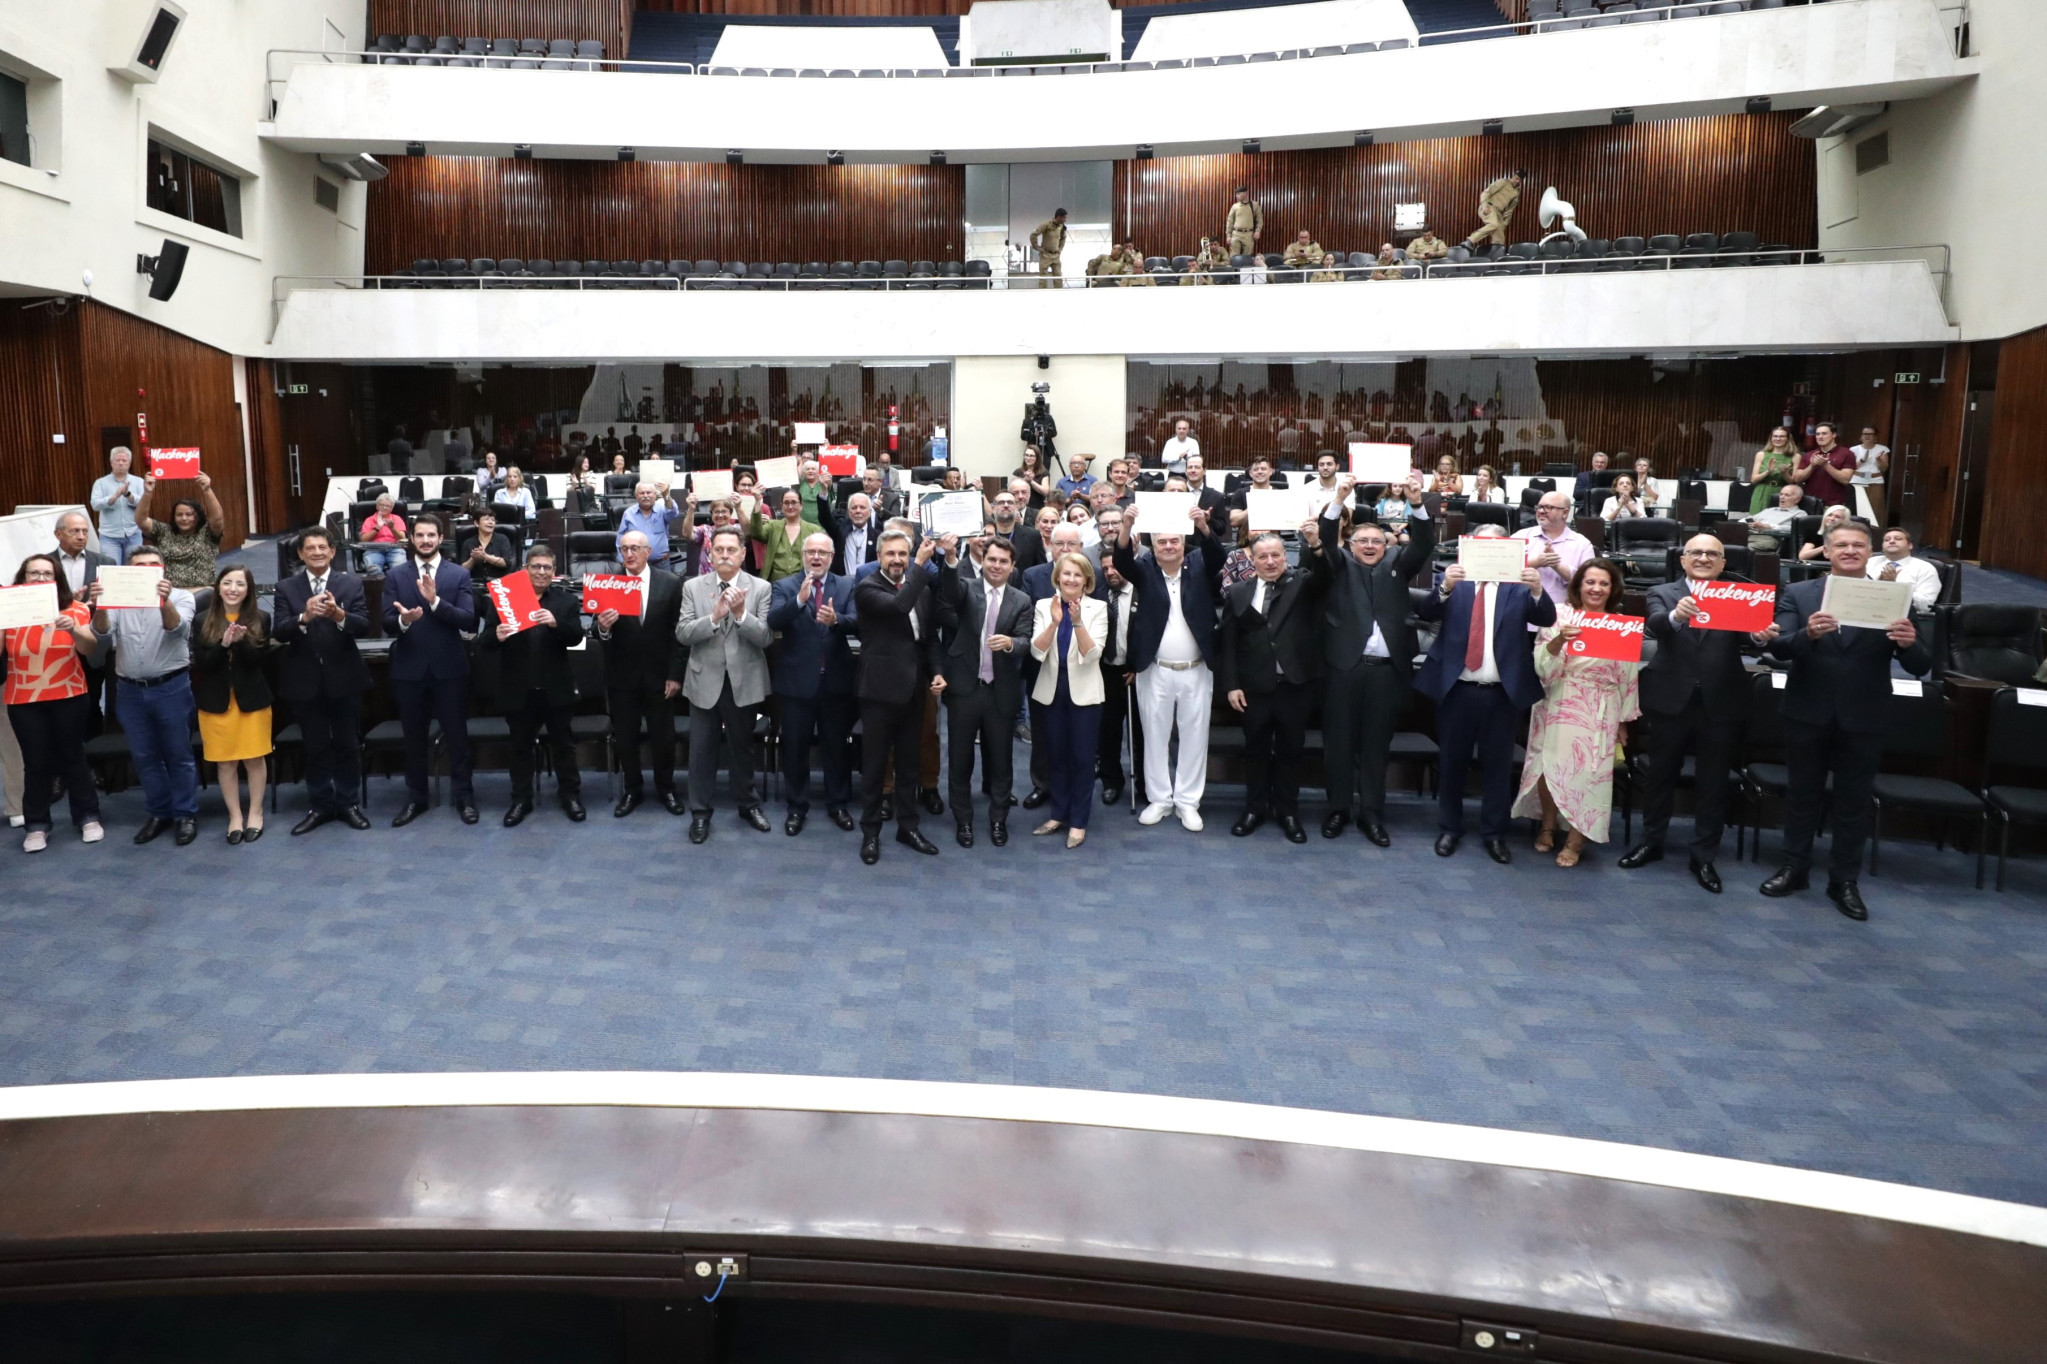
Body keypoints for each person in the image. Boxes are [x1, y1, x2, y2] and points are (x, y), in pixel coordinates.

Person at [1762, 519, 1932, 920]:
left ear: (1869, 550)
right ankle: (1795, 868)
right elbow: (1781, 649)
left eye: (1858, 545)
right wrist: (1809, 635)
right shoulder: (1801, 593)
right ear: (1828, 549)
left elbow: (1922, 664)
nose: (1850, 551)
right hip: (1807, 710)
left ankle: (1844, 881)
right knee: (1802, 795)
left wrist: (1909, 645)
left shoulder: (1893, 597)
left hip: (1864, 714)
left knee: (1853, 803)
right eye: (1842, 545)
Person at [1618, 534, 1776, 893]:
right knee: (1660, 776)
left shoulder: (1740, 596)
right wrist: (1677, 615)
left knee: (1714, 781)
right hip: (1670, 697)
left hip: (1722, 699)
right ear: (1683, 559)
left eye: (1713, 554)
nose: (1704, 558)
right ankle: (1651, 842)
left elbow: (1750, 639)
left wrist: (1762, 637)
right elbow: (1656, 625)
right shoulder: (1663, 592)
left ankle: (1703, 855)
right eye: (1696, 553)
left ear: (1723, 563)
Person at [1414, 525, 1557, 862]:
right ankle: (1450, 828)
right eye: (1483, 545)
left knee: (1497, 767)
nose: (1490, 551)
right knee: (1452, 763)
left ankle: (1494, 834)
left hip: (1500, 694)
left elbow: (1546, 617)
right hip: (1457, 691)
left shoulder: (1520, 587)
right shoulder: (1455, 583)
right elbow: (1426, 612)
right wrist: (1445, 586)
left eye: (1497, 545)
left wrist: (1538, 591)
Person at [1307, 477, 1434, 845]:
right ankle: (1338, 810)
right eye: (1362, 540)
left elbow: (1425, 542)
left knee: (1377, 747)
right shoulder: (1337, 563)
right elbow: (1325, 541)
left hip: (1386, 674)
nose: (1369, 546)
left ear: (1388, 544)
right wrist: (1339, 499)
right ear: (1351, 544)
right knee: (1339, 745)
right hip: (1343, 670)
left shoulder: (1399, 563)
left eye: (1376, 541)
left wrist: (1416, 502)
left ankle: (1372, 815)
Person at [1512, 559, 1640, 867]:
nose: (1596, 589)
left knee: (1590, 774)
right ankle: (1548, 824)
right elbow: (1541, 666)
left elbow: (1629, 676)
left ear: (1613, 589)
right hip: (1557, 700)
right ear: (1579, 585)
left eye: (1604, 584)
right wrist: (1559, 639)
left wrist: (1623, 719)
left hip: (1600, 709)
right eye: (1590, 582)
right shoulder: (1557, 616)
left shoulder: (1621, 624)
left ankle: (1576, 840)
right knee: (1548, 767)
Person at [1114, 500, 1226, 832]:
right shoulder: (1145, 569)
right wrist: (1126, 525)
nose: (1167, 546)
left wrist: (1204, 528)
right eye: (1161, 541)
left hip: (1196, 668)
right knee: (1154, 735)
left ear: (1183, 543)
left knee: (1194, 737)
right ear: (1153, 544)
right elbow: (1121, 560)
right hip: (1155, 669)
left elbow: (1218, 557)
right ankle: (1160, 799)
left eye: (1174, 541)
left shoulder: (1199, 565)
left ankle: (1188, 802)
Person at [91, 546, 201, 845]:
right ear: (131, 570)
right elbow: (102, 635)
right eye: (141, 565)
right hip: (129, 690)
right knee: (144, 756)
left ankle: (185, 814)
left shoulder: (181, 597)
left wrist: (162, 601)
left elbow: (177, 630)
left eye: (154, 564)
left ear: (162, 569)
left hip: (171, 687)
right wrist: (100, 605)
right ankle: (159, 812)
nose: (148, 568)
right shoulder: (117, 597)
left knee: (179, 755)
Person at [676, 525, 774, 843]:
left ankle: (747, 804)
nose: (725, 555)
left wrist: (742, 614)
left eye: (731, 550)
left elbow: (765, 638)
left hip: (744, 681)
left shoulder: (760, 588)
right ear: (710, 552)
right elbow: (683, 634)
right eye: (719, 549)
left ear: (743, 554)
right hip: (704, 682)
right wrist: (714, 618)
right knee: (701, 752)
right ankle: (700, 813)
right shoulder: (693, 587)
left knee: (742, 750)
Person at [1217, 532, 1315, 843]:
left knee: (1290, 752)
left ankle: (1288, 811)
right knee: (1255, 750)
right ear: (1252, 560)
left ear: (1286, 557)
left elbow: (1327, 572)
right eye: (1263, 556)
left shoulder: (1302, 584)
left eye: (1275, 555)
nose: (1270, 561)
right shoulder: (1237, 592)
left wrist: (1315, 541)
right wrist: (1231, 685)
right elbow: (1229, 643)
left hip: (1294, 686)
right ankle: (1255, 808)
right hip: (1253, 688)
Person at [273, 527, 372, 835]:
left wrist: (339, 614)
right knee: (315, 746)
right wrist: (303, 618)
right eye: (310, 548)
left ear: (332, 552)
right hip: (305, 680)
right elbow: (278, 631)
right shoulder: (286, 587)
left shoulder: (351, 583)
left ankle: (347, 803)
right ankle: (320, 805)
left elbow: (364, 626)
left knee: (346, 744)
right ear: (300, 554)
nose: (316, 552)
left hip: (345, 678)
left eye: (322, 547)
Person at [854, 528, 944, 864]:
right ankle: (870, 833)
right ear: (878, 557)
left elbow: (928, 638)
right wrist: (921, 565)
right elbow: (896, 607)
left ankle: (908, 828)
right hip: (878, 693)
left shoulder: (919, 588)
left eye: (903, 555)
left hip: (914, 690)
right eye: (890, 554)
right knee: (876, 767)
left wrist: (936, 671)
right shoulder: (867, 588)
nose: (897, 560)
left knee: (909, 765)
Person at [382, 515, 479, 827]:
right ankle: (417, 799)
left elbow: (468, 620)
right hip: (409, 669)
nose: (425, 540)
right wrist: (403, 622)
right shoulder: (396, 575)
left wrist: (435, 601)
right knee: (413, 739)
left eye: (431, 535)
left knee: (457, 737)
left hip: (449, 669)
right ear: (411, 538)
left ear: (441, 538)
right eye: (420, 535)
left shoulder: (458, 575)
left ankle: (464, 797)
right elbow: (385, 622)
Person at [936, 535, 1032, 847]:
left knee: (1002, 763)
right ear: (983, 560)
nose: (996, 565)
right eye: (992, 559)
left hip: (1000, 693)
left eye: (1003, 561)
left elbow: (1026, 641)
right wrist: (950, 558)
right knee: (959, 760)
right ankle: (963, 820)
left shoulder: (1021, 600)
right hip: (965, 689)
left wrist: (1011, 644)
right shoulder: (967, 587)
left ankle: (998, 820)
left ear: (1012, 566)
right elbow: (948, 593)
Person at [481, 544, 585, 826]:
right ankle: (520, 800)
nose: (541, 572)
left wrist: (555, 624)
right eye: (536, 566)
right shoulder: (505, 598)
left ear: (554, 572)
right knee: (520, 748)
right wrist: (498, 635)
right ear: (525, 569)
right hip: (518, 688)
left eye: (547, 567)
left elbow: (577, 637)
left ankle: (570, 796)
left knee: (564, 746)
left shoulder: (565, 601)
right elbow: (484, 642)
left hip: (557, 687)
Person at [3, 554, 101, 851]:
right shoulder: (8, 609)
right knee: (35, 762)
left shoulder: (76, 609)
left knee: (73, 756)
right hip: (23, 696)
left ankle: (87, 816)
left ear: (57, 579)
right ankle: (36, 824)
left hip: (69, 693)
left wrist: (71, 628)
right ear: (23, 577)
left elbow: (89, 649)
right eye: (34, 573)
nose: (41, 579)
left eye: (47, 573)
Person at [767, 532, 859, 836]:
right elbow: (774, 621)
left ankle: (838, 804)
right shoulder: (784, 586)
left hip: (836, 682)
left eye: (822, 552)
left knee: (836, 748)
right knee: (795, 748)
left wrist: (837, 621)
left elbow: (858, 621)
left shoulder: (847, 584)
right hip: (796, 684)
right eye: (811, 552)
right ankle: (796, 808)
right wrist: (799, 601)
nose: (816, 557)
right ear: (802, 556)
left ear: (832, 557)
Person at [595, 530, 687, 818]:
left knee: (664, 737)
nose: (629, 554)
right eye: (624, 549)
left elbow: (678, 635)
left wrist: (675, 674)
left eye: (635, 548)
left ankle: (666, 788)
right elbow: (596, 635)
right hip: (623, 676)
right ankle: (632, 789)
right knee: (626, 737)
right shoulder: (610, 584)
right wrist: (603, 628)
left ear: (648, 551)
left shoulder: (671, 583)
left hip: (661, 676)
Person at [190, 566, 279, 843]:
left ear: (248, 589)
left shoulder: (261, 617)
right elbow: (203, 665)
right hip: (216, 703)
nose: (232, 589)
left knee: (254, 758)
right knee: (226, 763)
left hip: (251, 702)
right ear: (218, 587)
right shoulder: (202, 619)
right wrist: (224, 644)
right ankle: (235, 816)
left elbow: (259, 662)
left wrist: (240, 644)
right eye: (227, 583)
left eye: (240, 584)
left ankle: (255, 812)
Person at [1028, 552, 1108, 849]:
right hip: (1051, 692)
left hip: (1086, 696)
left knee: (1082, 759)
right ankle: (1058, 814)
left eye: (1077, 575)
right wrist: (1054, 622)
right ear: (1057, 578)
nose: (1071, 579)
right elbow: (1037, 652)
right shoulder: (1042, 606)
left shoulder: (1097, 608)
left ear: (1087, 581)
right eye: (1066, 574)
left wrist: (1076, 623)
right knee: (1057, 756)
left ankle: (1078, 821)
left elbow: (1092, 655)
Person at [1096, 551, 1140, 808]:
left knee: (1140, 733)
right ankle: (1112, 782)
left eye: (1115, 567)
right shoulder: (1098, 596)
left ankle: (1143, 783)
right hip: (1106, 672)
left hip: (1135, 672)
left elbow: (1150, 634)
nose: (1110, 572)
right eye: (1105, 569)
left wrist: (1138, 666)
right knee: (1107, 732)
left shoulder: (1142, 593)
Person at [135, 471, 225, 590]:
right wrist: (148, 492)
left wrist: (207, 490)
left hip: (201, 591)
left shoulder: (207, 533)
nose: (184, 518)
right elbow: (141, 520)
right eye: (179, 515)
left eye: (189, 514)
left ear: (197, 516)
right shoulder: (163, 531)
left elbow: (217, 519)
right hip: (169, 592)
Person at [1513, 490, 1597, 605]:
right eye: (1539, 507)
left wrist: (1557, 566)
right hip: (1521, 610)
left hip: (1563, 614)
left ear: (1565, 513)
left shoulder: (1582, 544)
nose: (1541, 511)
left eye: (1548, 507)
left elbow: (1590, 582)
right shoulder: (1521, 536)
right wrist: (1535, 562)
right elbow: (1503, 571)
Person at [748, 486, 827, 583]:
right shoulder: (773, 526)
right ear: (781, 506)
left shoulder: (814, 530)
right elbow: (756, 533)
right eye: (786, 503)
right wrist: (757, 501)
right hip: (775, 584)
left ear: (801, 505)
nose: (790, 506)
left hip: (804, 584)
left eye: (794, 502)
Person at [90, 447, 147, 564]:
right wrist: (114, 497)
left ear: (129, 463)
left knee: (134, 569)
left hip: (133, 533)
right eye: (117, 460)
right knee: (112, 569)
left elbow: (144, 503)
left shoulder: (139, 481)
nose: (121, 463)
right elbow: (95, 505)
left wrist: (128, 494)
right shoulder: (100, 483)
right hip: (109, 536)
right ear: (111, 463)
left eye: (124, 461)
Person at [1868, 526, 1940, 609]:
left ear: (1910, 545)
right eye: (1887, 540)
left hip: (1904, 616)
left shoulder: (1925, 568)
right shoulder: (1869, 562)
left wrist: (1896, 588)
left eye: (1898, 539)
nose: (1891, 541)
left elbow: (1926, 605)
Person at [1791, 422, 1855, 509]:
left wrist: (1826, 465)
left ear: (1834, 435)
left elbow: (1845, 479)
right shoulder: (1809, 455)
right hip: (1810, 503)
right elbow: (1797, 479)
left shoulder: (1847, 453)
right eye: (1817, 434)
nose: (1820, 437)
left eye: (1824, 433)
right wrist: (1812, 466)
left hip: (1833, 505)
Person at [617, 481, 682, 566]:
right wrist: (622, 560)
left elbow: (672, 512)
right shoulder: (628, 513)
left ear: (655, 495)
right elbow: (620, 539)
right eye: (642, 493)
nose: (645, 496)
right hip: (636, 565)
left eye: (648, 492)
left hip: (661, 564)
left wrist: (666, 495)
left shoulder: (662, 510)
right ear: (636, 496)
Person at [1464, 168, 1525, 250]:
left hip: (1499, 213)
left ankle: (1495, 258)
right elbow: (1486, 192)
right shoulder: (1503, 182)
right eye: (1516, 178)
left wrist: (1504, 224)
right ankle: (1470, 240)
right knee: (1493, 224)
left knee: (1500, 239)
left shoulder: (1516, 193)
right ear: (1513, 176)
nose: (1517, 181)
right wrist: (1485, 205)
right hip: (1489, 207)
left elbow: (1509, 211)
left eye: (1520, 180)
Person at [1744, 480, 1808, 553]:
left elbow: (1794, 529)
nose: (1782, 497)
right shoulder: (1769, 510)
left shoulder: (1800, 514)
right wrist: (1742, 524)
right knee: (1731, 542)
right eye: (1781, 494)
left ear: (1797, 499)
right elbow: (1749, 518)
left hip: (1773, 540)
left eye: (1787, 495)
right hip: (1751, 535)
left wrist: (1768, 526)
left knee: (1744, 549)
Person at [1749, 427, 1800, 512]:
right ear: (1771, 438)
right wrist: (1768, 471)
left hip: (1782, 493)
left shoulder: (1795, 456)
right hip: (1762, 492)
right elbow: (1753, 480)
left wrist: (1784, 473)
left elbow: (1794, 483)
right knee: (1757, 520)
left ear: (1788, 439)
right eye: (1775, 436)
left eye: (1782, 436)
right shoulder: (1761, 454)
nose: (1778, 439)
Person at [1850, 425, 1891, 525]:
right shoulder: (1853, 449)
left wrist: (1878, 459)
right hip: (1857, 480)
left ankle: (1876, 531)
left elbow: (1884, 468)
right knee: (1857, 507)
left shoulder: (1882, 449)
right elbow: (1851, 467)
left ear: (1875, 437)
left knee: (1875, 509)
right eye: (1865, 434)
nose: (1867, 436)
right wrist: (1862, 460)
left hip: (1875, 481)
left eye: (1871, 434)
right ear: (1861, 437)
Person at [463, 506, 515, 586]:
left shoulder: (502, 539)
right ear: (477, 523)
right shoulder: (469, 542)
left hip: (499, 582)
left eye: (493, 520)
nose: (491, 522)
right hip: (475, 584)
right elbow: (462, 570)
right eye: (486, 519)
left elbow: (506, 563)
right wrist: (473, 559)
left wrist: (485, 556)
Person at [359, 493, 408, 576]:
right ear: (377, 506)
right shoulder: (369, 520)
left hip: (394, 548)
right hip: (374, 549)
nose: (385, 507)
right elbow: (363, 540)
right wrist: (377, 527)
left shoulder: (397, 519)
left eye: (388, 506)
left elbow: (402, 538)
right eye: (382, 505)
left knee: (399, 571)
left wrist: (392, 528)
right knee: (374, 571)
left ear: (392, 508)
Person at [1030, 207, 1069, 287]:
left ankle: (1059, 295)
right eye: (1064, 217)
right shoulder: (1046, 224)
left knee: (1058, 277)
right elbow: (1033, 235)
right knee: (1043, 279)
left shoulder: (1062, 227)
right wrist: (1037, 247)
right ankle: (1043, 295)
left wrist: (1060, 250)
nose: (1065, 219)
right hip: (1045, 255)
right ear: (1058, 217)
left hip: (1056, 256)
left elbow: (1063, 239)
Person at [1225, 186, 1263, 259]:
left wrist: (1258, 231)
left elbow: (1259, 220)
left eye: (1238, 194)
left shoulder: (1254, 205)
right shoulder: (1235, 206)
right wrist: (1228, 235)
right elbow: (1230, 221)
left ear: (1245, 193)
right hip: (1236, 234)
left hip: (1249, 235)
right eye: (1236, 194)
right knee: (1233, 257)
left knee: (1247, 258)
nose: (1236, 196)